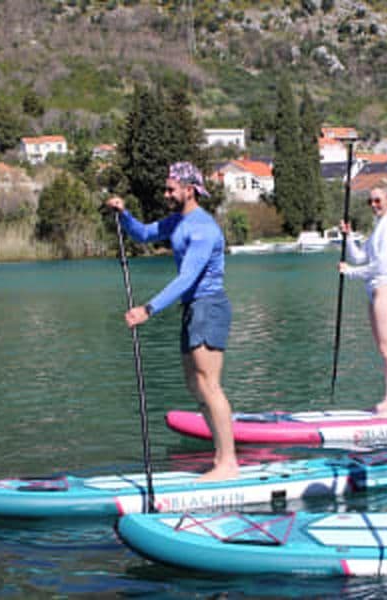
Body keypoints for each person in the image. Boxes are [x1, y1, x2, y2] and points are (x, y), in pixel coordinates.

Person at [106, 162, 238, 482]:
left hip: (209, 306)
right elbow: (143, 233)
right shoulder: (177, 222)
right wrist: (123, 215)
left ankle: (228, 463)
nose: (165, 194)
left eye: (170, 189)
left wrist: (148, 310)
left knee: (209, 384)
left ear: (188, 190)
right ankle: (220, 458)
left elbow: (188, 277)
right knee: (195, 385)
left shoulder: (203, 229)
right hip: (192, 308)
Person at [338, 186, 387, 418]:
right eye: (370, 201)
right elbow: (359, 257)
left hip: (386, 290)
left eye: (377, 200)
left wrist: (350, 273)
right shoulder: (378, 228)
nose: (374, 204)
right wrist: (347, 237)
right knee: (383, 350)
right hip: (374, 292)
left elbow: (381, 267)